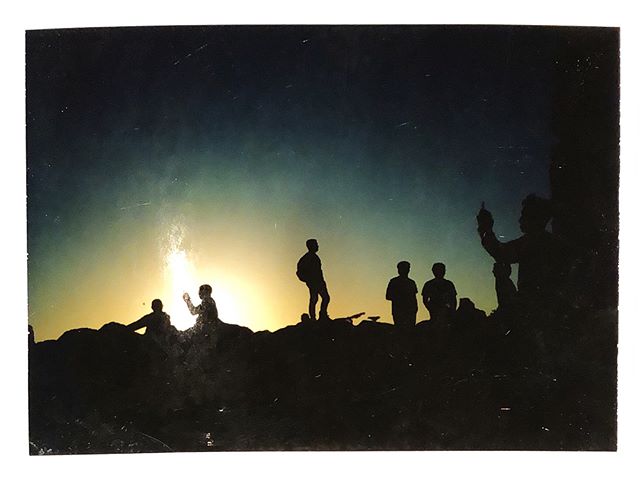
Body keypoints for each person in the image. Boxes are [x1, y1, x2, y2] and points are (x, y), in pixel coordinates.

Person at [476, 195, 567, 308]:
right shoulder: (549, 241)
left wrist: (485, 228)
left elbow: (500, 252)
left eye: (524, 215)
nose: (520, 220)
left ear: (534, 218)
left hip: (536, 307)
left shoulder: (531, 242)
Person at [296, 239, 330, 321]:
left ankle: (321, 315)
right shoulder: (306, 258)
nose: (318, 246)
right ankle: (315, 317)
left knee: (323, 298)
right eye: (316, 244)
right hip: (314, 282)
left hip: (319, 281)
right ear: (311, 246)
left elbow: (319, 271)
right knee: (317, 298)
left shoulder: (314, 257)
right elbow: (299, 272)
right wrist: (309, 280)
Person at [385, 261, 418, 329]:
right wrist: (400, 297)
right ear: (398, 270)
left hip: (410, 311)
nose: (406, 270)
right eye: (403, 268)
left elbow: (414, 297)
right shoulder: (394, 281)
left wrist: (415, 309)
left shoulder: (411, 283)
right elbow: (388, 296)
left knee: (410, 330)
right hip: (398, 311)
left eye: (407, 268)